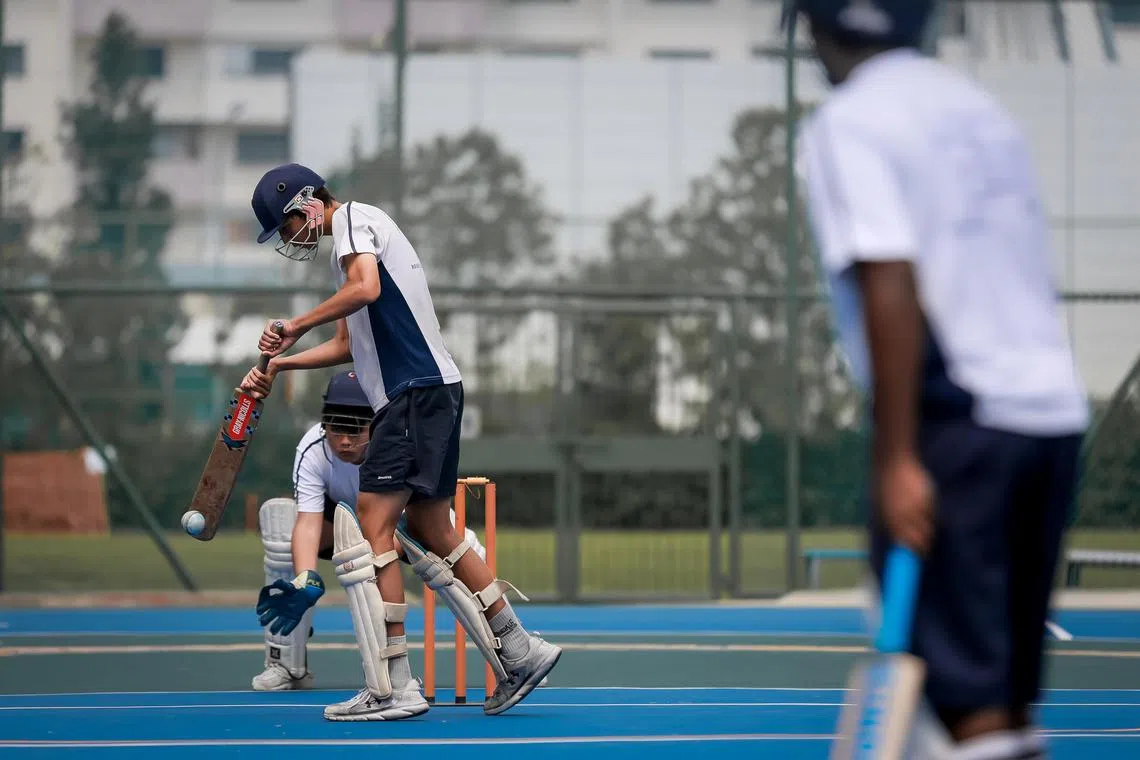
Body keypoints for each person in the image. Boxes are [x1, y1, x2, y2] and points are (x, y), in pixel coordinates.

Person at [791, 1, 1088, 758]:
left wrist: (897, 456)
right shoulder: (980, 112)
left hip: (961, 424)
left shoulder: (850, 121)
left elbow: (889, 276)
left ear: (817, 29)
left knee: (968, 713)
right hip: (1050, 416)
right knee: (1006, 703)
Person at [239, 163, 560, 721]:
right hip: (435, 390)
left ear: (309, 203)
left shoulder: (354, 222)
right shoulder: (352, 244)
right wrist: (281, 365)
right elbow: (348, 345)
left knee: (373, 521)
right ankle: (520, 649)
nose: (289, 239)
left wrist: (295, 324)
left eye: (286, 225)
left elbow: (367, 288)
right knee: (435, 527)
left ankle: (394, 687)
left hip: (412, 394)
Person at [252, 369, 486, 692]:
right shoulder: (312, 448)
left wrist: (367, 553)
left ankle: (513, 653)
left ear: (375, 423)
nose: (345, 441)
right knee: (281, 523)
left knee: (472, 551)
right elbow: (308, 523)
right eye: (336, 428)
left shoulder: (396, 443)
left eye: (355, 429)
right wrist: (306, 579)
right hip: (347, 526)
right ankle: (285, 662)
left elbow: (411, 527)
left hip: (406, 525)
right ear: (324, 424)